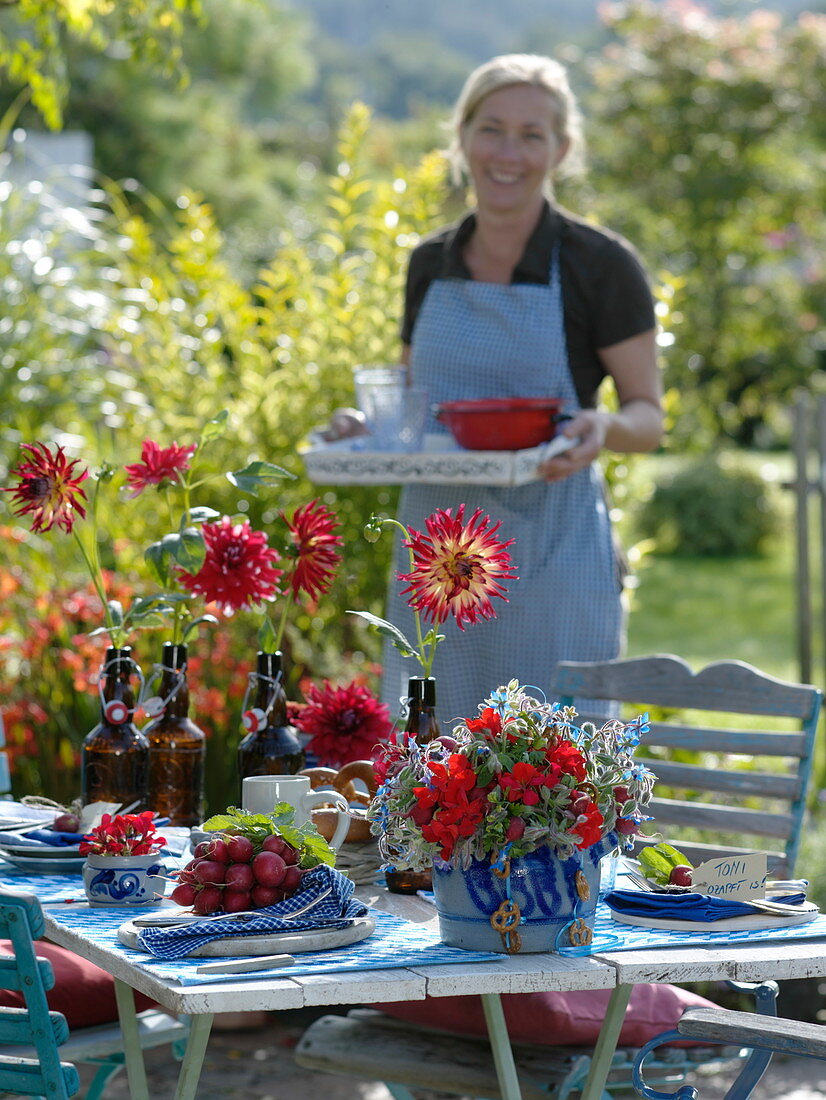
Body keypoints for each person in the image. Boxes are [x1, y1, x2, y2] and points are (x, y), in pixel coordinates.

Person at [381, 53, 663, 723]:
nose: (509, 153)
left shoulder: (602, 265)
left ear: (561, 149)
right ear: (463, 136)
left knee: (558, 775)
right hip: (440, 554)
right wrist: (361, 426)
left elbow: (648, 418)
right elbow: (413, 402)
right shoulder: (429, 263)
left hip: (553, 555)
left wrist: (602, 429)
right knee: (433, 766)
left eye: (532, 135)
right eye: (492, 129)